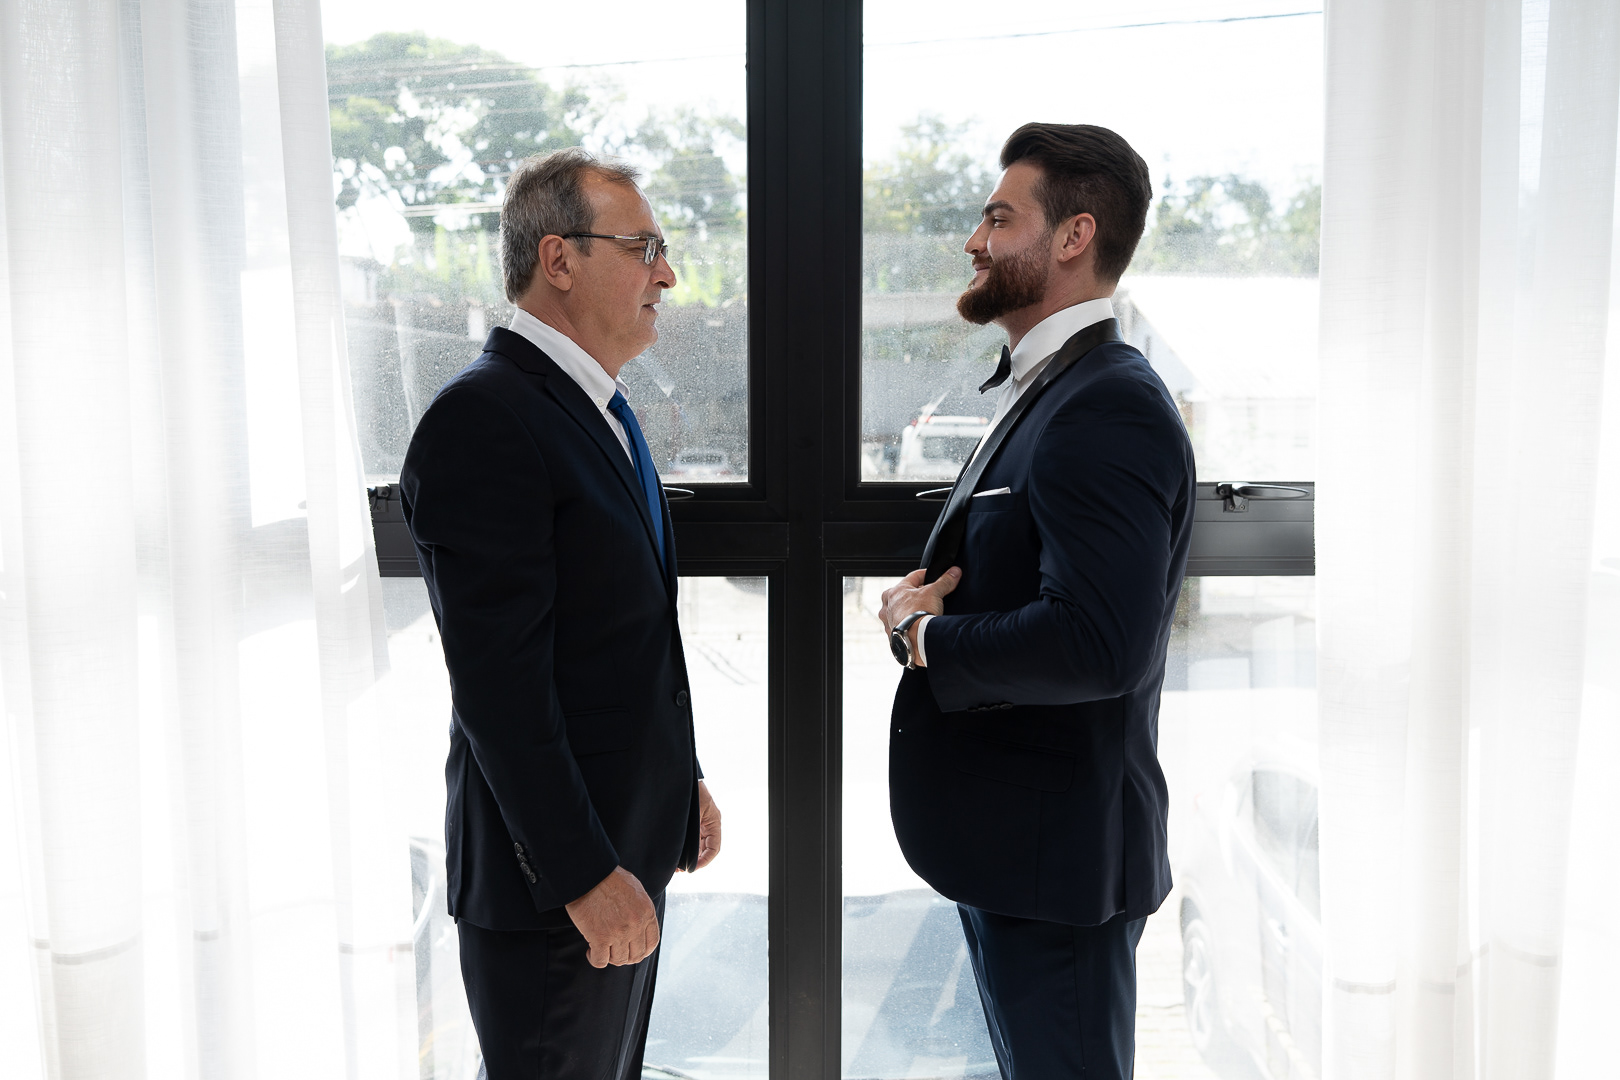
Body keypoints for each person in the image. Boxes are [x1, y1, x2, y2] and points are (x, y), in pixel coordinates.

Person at [879, 122, 1195, 1080]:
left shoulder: (1107, 403)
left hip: (1059, 869)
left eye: (998, 218)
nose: (973, 241)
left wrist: (927, 638)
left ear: (1073, 236)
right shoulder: (1050, 387)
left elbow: (1098, 642)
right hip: (1022, 858)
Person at [399, 148, 721, 1080]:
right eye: (644, 248)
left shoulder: (599, 409)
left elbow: (615, 637)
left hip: (620, 858)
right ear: (559, 259)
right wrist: (583, 876)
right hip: (557, 894)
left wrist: (680, 782)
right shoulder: (485, 420)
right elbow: (501, 691)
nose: (667, 274)